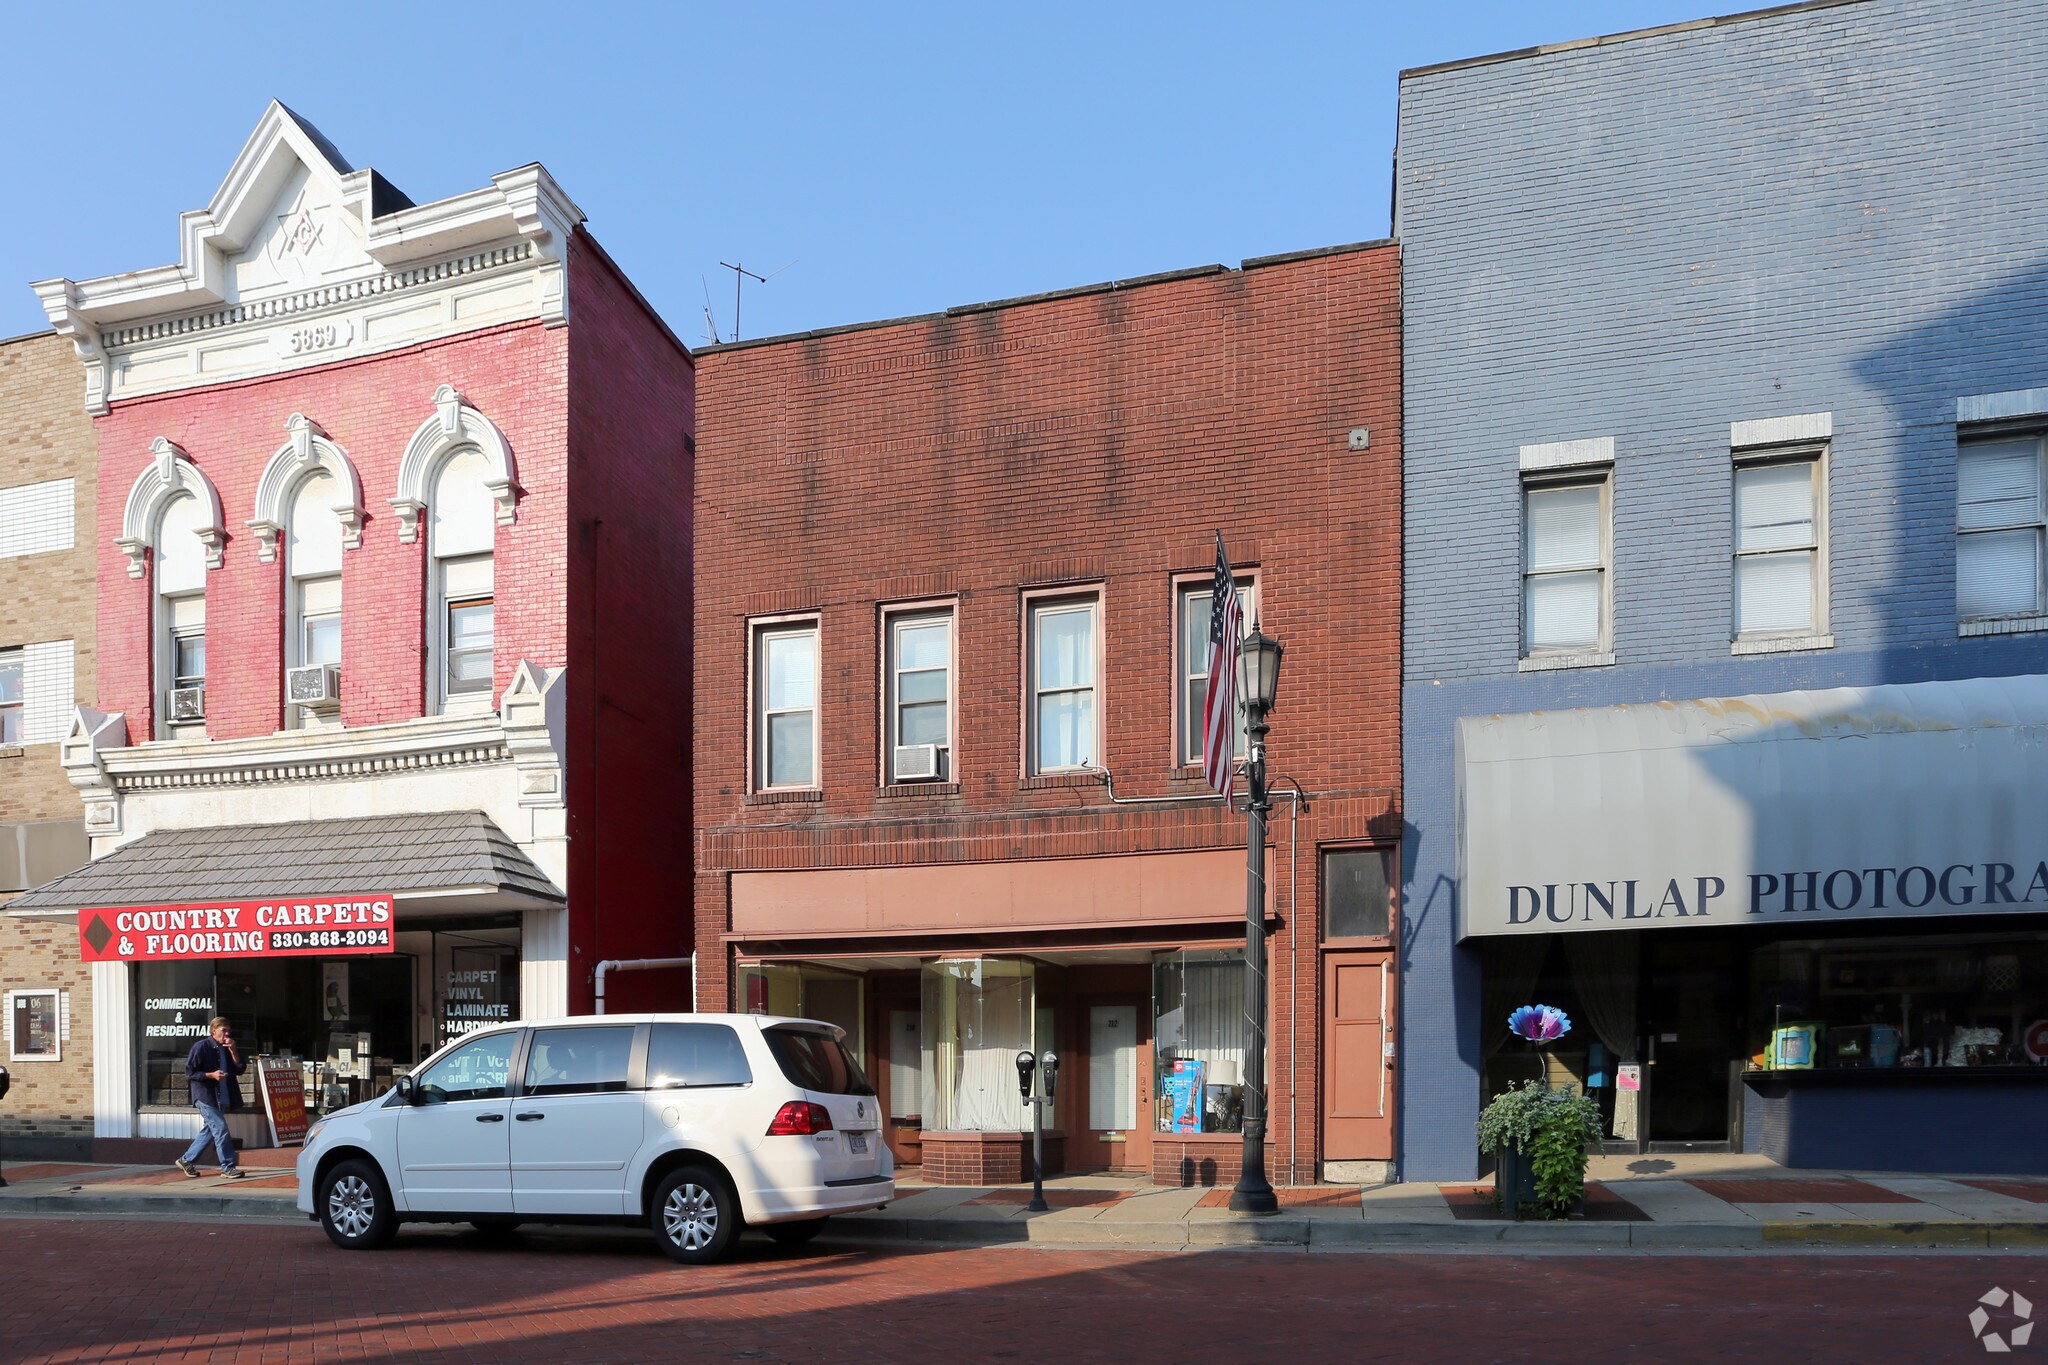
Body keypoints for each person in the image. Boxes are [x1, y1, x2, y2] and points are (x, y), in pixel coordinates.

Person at [174, 1017, 246, 1179]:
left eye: (228, 1030)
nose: (227, 1034)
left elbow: (240, 1069)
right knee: (220, 1128)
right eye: (223, 1030)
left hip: (222, 1096)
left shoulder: (228, 1048)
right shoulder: (201, 1047)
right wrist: (211, 1075)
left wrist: (234, 1051)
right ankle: (228, 1167)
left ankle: (186, 1160)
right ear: (213, 1031)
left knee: (210, 1130)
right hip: (205, 1096)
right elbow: (189, 1073)